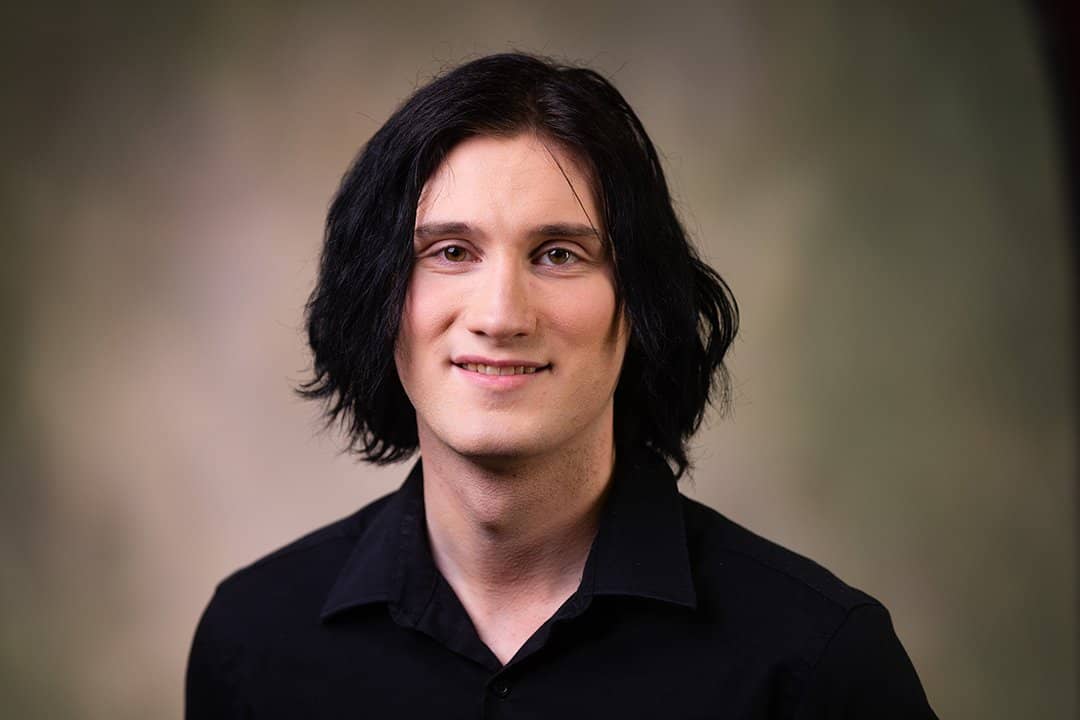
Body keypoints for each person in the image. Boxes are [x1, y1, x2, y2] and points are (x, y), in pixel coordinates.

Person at [185, 52, 937, 719]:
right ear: (380, 302)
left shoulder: (817, 663)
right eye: (450, 251)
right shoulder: (252, 643)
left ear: (636, 306)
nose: (502, 315)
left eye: (558, 255)